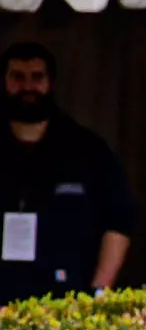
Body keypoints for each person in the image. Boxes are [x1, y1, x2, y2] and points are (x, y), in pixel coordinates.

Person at [0, 42, 136, 305]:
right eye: (17, 77)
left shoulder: (88, 150)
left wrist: (98, 293)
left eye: (36, 77)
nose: (27, 87)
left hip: (66, 303)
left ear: (50, 82)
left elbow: (119, 221)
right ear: (4, 81)